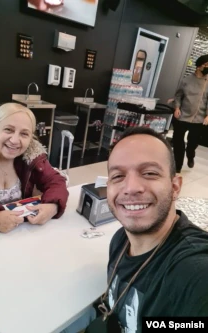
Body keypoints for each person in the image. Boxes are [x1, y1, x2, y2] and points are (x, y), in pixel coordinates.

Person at [104, 127, 208, 332]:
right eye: (118, 176)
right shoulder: (119, 240)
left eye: (150, 173)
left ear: (175, 186)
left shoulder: (194, 271)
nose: (131, 187)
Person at [0, 103, 69, 235]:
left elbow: (55, 180)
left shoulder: (31, 157)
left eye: (24, 134)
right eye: (8, 130)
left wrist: (53, 206)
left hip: (19, 236)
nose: (15, 140)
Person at [172, 54, 208, 173]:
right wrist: (177, 107)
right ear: (198, 66)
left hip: (198, 118)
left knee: (193, 142)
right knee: (178, 142)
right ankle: (177, 166)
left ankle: (190, 154)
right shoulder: (187, 80)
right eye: (206, 65)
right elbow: (178, 95)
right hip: (182, 116)